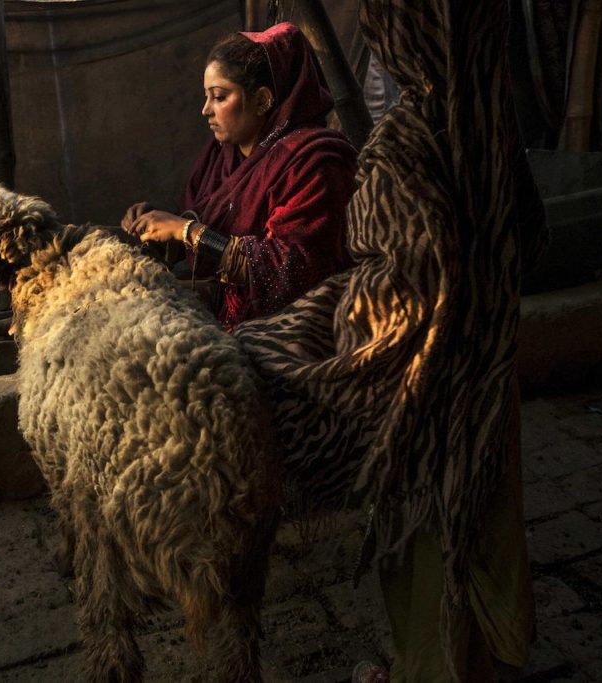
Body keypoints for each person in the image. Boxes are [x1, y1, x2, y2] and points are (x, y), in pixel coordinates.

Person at [234, 1, 546, 681]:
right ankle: (491, 660)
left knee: (430, 543)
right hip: (489, 378)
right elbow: (527, 240)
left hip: (422, 399)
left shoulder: (404, 146)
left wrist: (294, 340)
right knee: (486, 522)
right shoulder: (492, 126)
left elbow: (395, 301)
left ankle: (429, 667)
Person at [121, 22, 358, 330]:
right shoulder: (222, 157)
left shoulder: (314, 163)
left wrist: (187, 232)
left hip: (294, 330)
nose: (206, 110)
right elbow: (213, 220)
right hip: (223, 317)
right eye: (206, 96)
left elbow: (292, 271)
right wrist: (159, 226)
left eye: (219, 97)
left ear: (262, 100)